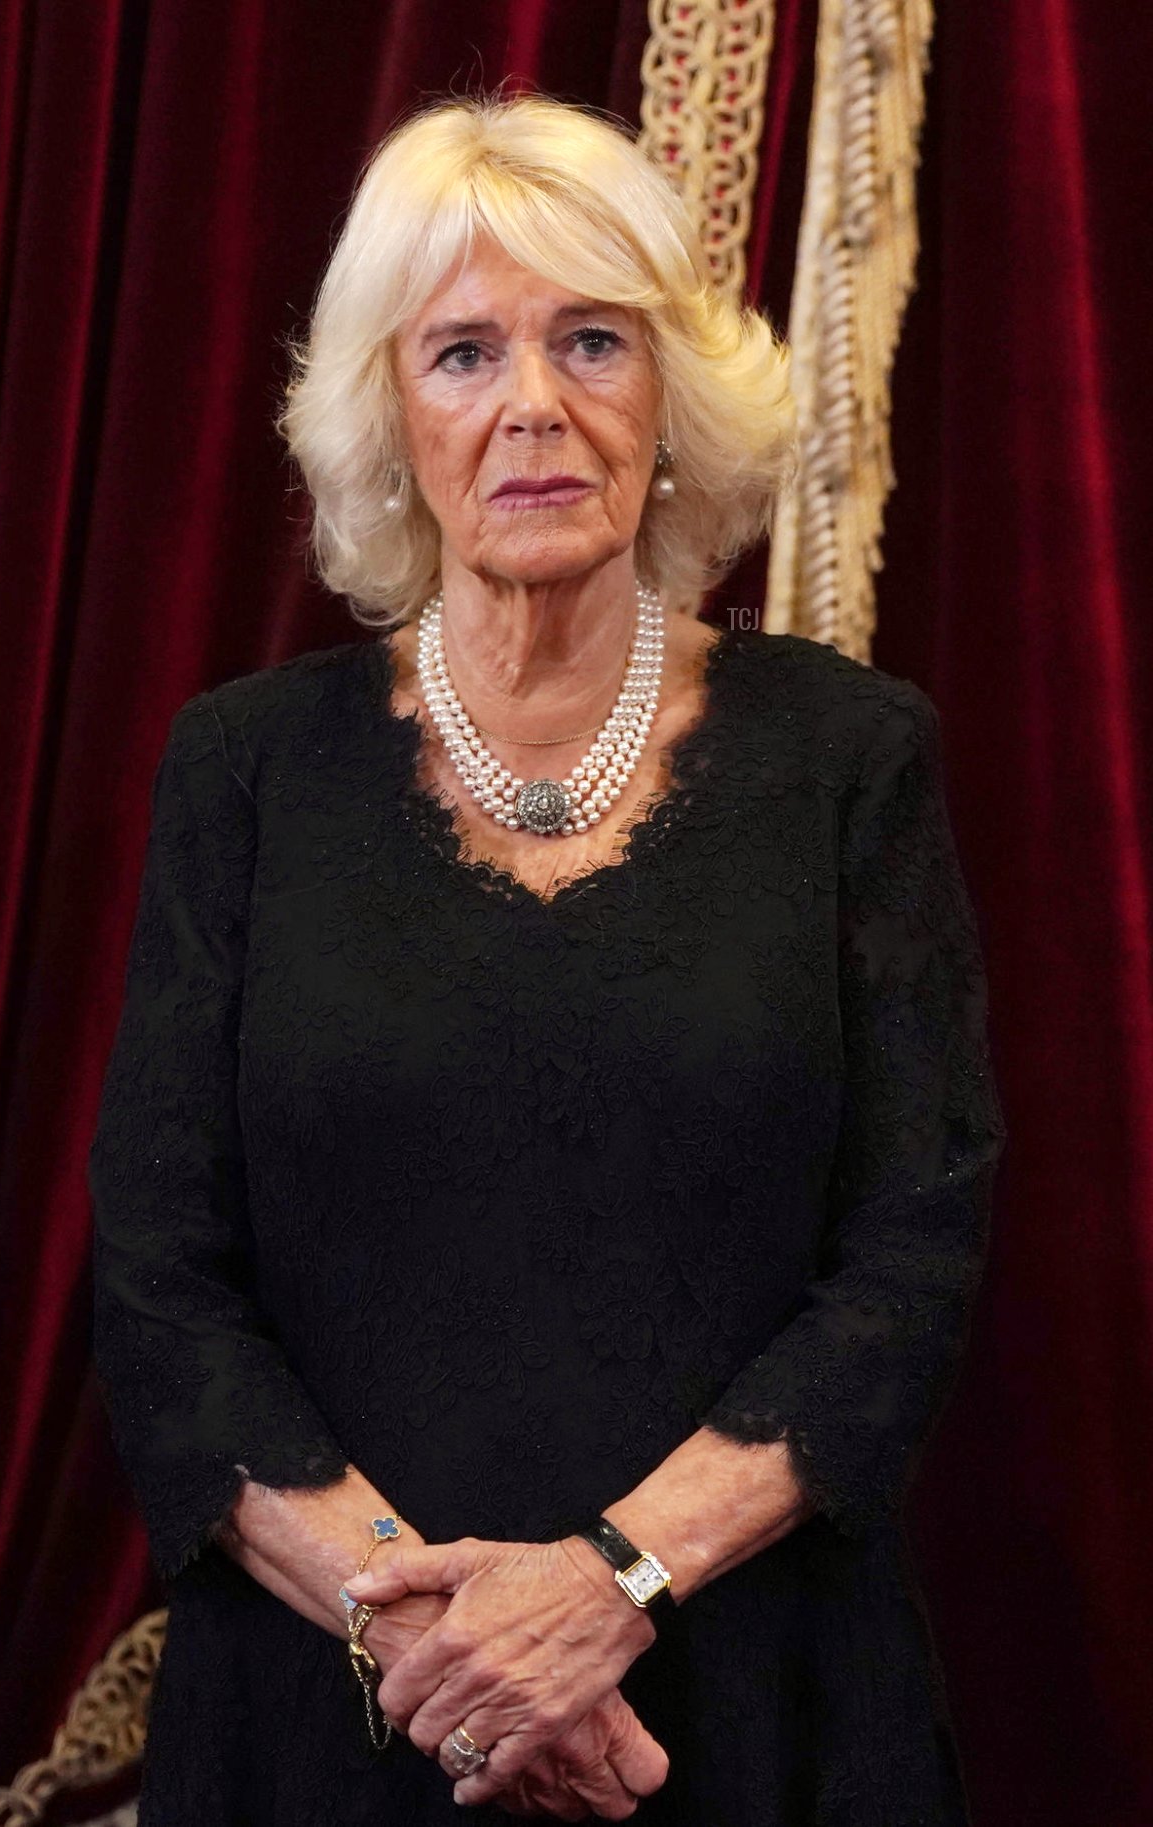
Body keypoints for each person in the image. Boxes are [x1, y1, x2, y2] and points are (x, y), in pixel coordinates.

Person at [88, 91, 1008, 1826]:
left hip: (753, 1711)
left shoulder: (849, 758)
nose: (533, 404)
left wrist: (609, 1590)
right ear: (391, 416)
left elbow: (913, 1250)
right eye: (462, 353)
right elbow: (158, 1280)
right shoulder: (244, 771)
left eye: (592, 339)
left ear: (669, 393)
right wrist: (444, 1654)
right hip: (335, 1717)